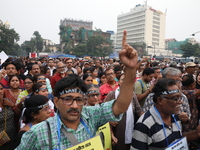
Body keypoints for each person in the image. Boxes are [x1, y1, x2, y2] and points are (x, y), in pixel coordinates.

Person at [16, 30, 138, 149]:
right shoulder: (38, 133)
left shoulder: (90, 116)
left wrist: (131, 69)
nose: (74, 105)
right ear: (56, 102)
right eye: (68, 99)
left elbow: (121, 106)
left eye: (79, 100)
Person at [132, 78, 200, 149]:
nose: (180, 102)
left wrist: (196, 133)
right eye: (175, 99)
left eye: (180, 98)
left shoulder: (174, 116)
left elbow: (176, 140)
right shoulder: (144, 125)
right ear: (160, 100)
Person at [104, 73, 143, 150]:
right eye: (123, 79)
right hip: (116, 130)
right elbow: (103, 112)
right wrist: (109, 121)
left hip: (130, 129)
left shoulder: (132, 95)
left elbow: (139, 111)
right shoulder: (112, 94)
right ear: (118, 82)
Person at [0, 83, 18, 150]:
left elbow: (18, 115)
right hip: (1, 140)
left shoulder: (8, 101)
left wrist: (13, 105)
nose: (0, 91)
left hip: (12, 136)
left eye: (1, 89)